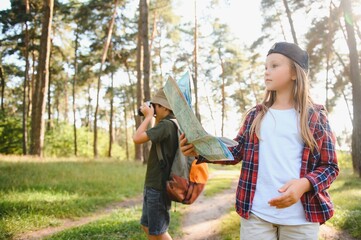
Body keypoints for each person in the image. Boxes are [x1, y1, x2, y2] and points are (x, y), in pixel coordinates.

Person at [180, 42, 339, 240]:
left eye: (274, 66)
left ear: (294, 73)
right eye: (265, 67)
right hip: (257, 215)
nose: (266, 72)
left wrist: (305, 184)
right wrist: (199, 149)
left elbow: (330, 166)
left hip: (301, 218)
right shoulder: (257, 115)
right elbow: (236, 152)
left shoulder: (315, 116)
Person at [133, 88, 178, 240]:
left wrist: (147, 117)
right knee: (147, 226)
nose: (154, 109)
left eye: (156, 106)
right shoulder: (167, 124)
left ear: (165, 107)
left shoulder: (166, 125)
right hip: (153, 184)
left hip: (158, 187)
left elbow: (137, 138)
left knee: (157, 232)